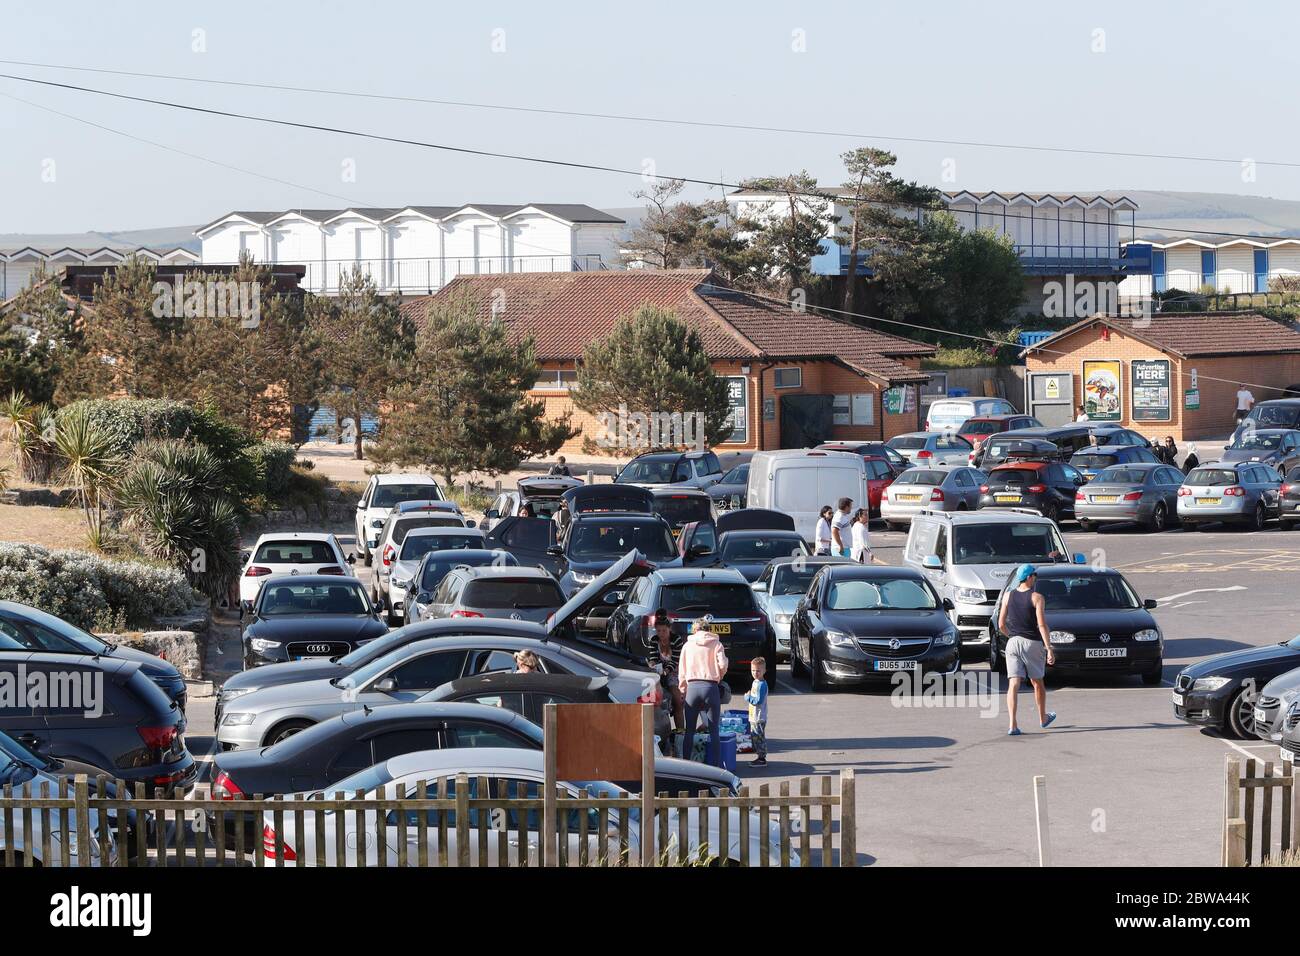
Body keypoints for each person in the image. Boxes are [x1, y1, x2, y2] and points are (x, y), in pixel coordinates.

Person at [997, 564, 1056, 736]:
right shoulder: (1037, 597)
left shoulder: (1008, 596)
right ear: (1029, 577)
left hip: (1013, 643)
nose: (1035, 579)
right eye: (1034, 576)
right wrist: (1049, 647)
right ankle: (1043, 718)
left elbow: (1001, 625)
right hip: (1032, 643)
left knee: (1013, 684)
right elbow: (1042, 625)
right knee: (1037, 682)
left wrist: (1013, 637)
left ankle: (1012, 725)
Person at [677, 615, 729, 766]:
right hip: (710, 687)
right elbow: (723, 664)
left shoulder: (687, 646)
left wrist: (682, 690)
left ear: (695, 630)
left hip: (692, 688)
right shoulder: (716, 643)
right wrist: (719, 676)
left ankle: (686, 765)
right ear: (708, 629)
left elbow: (682, 670)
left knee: (690, 730)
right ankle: (716, 766)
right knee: (714, 731)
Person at [647, 609, 685, 734]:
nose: (661, 634)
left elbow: (675, 661)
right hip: (660, 672)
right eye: (658, 631)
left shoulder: (676, 640)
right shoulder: (654, 640)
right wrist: (653, 665)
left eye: (664, 631)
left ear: (669, 629)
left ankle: (680, 730)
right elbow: (653, 658)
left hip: (675, 671)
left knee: (677, 699)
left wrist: (665, 671)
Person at [744, 657, 769, 767]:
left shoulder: (762, 684)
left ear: (764, 671)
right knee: (755, 736)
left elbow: (758, 701)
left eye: (758, 670)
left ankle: (762, 758)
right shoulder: (755, 682)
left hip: (759, 717)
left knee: (758, 737)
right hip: (753, 716)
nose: (755, 673)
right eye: (753, 670)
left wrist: (748, 697)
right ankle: (760, 756)